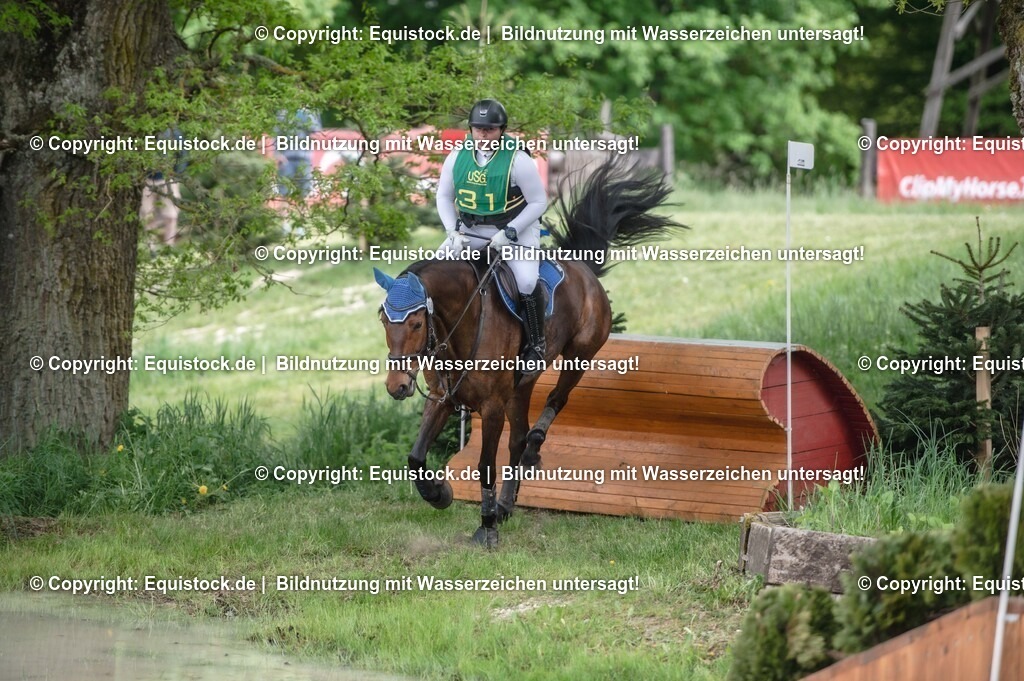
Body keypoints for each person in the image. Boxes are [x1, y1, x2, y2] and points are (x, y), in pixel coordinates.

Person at [435, 99, 549, 376]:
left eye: (490, 129)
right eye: (478, 129)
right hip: (471, 229)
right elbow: (444, 196)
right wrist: (452, 230)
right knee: (436, 270)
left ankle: (536, 344)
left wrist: (510, 232)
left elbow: (538, 202)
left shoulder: (518, 160)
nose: (483, 135)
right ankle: (436, 343)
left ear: (501, 130)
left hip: (516, 228)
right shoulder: (457, 157)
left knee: (525, 280)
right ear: (471, 129)